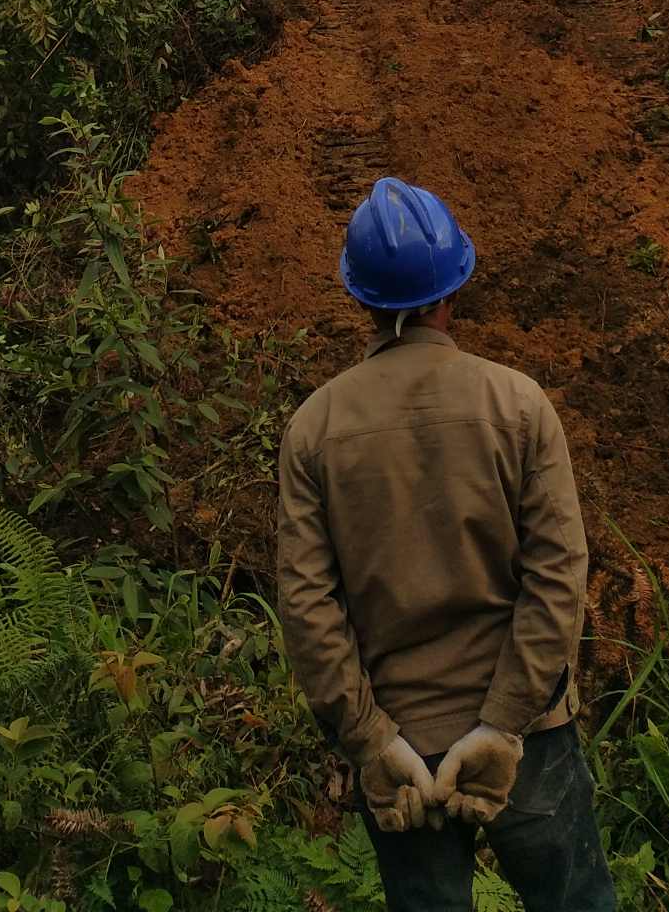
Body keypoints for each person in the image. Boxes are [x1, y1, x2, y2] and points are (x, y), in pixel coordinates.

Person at [277, 178, 614, 912]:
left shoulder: (313, 429)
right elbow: (559, 577)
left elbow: (307, 606)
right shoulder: (518, 405)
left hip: (403, 756)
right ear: (452, 292)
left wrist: (372, 740)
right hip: (531, 743)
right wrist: (502, 725)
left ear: (359, 298)